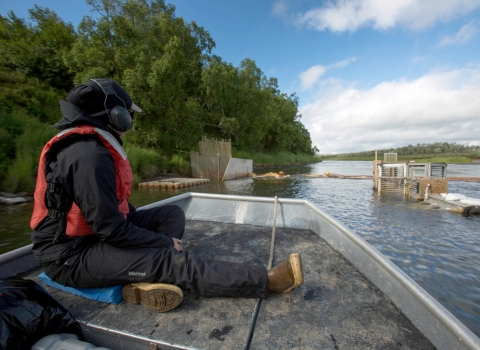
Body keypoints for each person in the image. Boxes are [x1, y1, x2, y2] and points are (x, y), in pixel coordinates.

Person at [30, 78, 304, 312]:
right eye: (127, 113)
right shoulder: (88, 155)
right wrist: (161, 242)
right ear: (116, 116)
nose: (130, 119)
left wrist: (155, 237)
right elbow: (110, 230)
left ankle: (141, 277)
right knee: (170, 259)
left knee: (171, 213)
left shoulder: (93, 147)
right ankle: (265, 280)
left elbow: (112, 211)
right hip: (69, 256)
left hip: (94, 237)